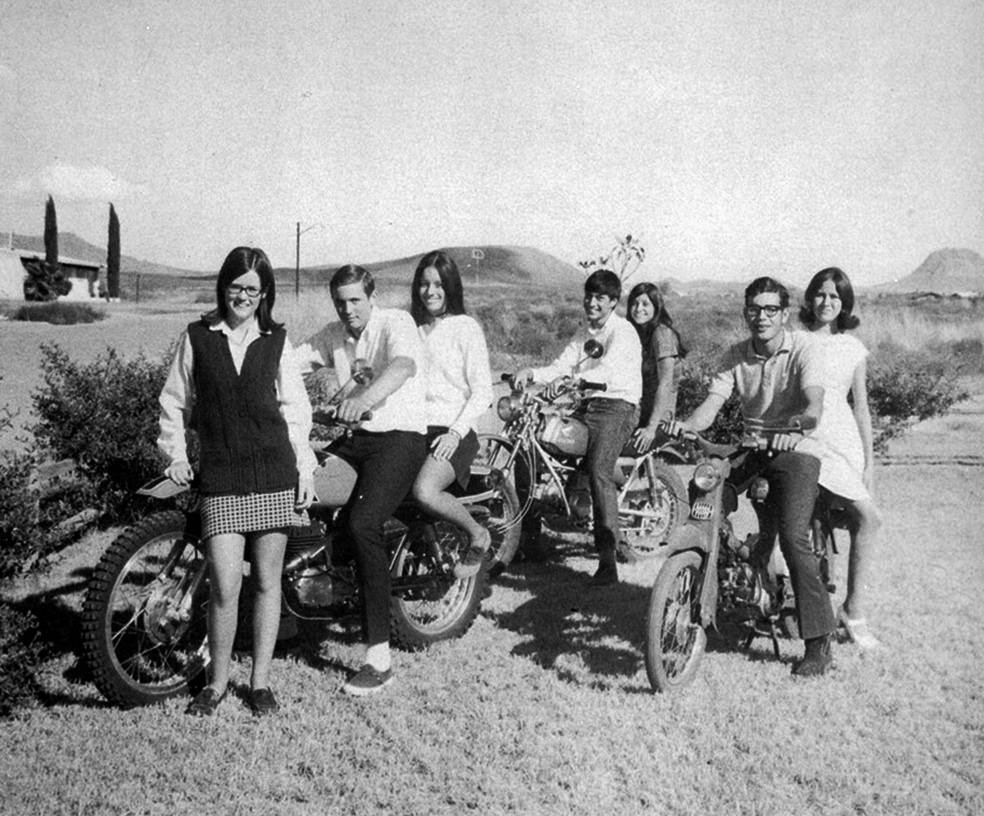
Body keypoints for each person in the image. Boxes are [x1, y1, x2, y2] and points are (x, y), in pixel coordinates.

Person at [158, 246, 316, 716]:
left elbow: (296, 411)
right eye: (236, 286)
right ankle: (217, 683)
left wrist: (303, 468)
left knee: (268, 582)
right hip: (222, 477)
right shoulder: (198, 337)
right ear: (223, 286)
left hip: (273, 473)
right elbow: (174, 403)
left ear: (264, 292)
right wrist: (177, 455)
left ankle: (261, 683)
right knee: (226, 585)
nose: (243, 296)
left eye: (253, 288)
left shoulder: (276, 341)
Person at [665, 276, 836, 676]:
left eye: (771, 309)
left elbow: (814, 404)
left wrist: (796, 427)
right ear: (746, 313)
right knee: (706, 498)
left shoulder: (804, 349)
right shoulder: (735, 355)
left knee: (794, 537)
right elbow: (712, 404)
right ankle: (728, 577)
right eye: (754, 309)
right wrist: (689, 426)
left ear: (785, 313)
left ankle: (819, 642)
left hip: (797, 448)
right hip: (753, 445)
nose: (762, 317)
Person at [302, 264, 428, 696]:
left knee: (362, 523)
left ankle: (379, 657)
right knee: (307, 494)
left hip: (401, 437)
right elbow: (294, 358)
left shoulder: (396, 322)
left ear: (371, 297)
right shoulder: (333, 334)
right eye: (341, 302)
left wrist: (364, 401)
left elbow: (403, 365)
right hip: (357, 440)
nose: (348, 309)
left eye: (355, 300)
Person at [514, 269, 641, 586]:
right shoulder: (584, 334)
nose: (592, 302)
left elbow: (611, 371)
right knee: (537, 444)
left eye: (600, 297)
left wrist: (581, 380)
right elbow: (562, 365)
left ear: (613, 301)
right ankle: (529, 540)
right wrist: (532, 373)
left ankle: (608, 561)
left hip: (618, 407)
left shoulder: (622, 332)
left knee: (598, 470)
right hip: (588, 406)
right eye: (589, 295)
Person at [799, 267, 883, 649]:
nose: (826, 302)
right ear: (810, 297)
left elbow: (861, 407)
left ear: (844, 303)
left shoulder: (853, 347)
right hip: (804, 437)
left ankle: (853, 609)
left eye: (835, 296)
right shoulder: (794, 339)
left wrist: (869, 463)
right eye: (820, 294)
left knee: (867, 517)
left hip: (843, 441)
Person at [409, 250, 495, 578]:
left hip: (453, 431)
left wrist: (455, 432)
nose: (430, 291)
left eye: (439, 284)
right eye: (424, 284)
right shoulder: (412, 329)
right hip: (414, 429)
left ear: (451, 288)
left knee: (425, 491)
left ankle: (477, 533)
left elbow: (483, 391)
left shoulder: (464, 327)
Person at [626, 282, 687, 453]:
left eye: (645, 304)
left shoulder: (662, 334)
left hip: (657, 416)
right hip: (640, 409)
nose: (639, 309)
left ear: (656, 307)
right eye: (635, 304)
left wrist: (651, 428)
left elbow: (665, 383)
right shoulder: (639, 333)